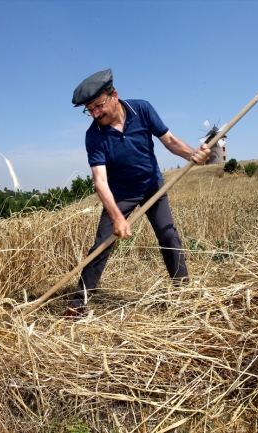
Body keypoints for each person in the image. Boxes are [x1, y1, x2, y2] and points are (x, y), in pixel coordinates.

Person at [66, 69, 211, 317]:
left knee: (168, 236)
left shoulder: (142, 109)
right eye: (89, 109)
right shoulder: (94, 136)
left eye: (99, 105)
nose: (95, 113)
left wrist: (191, 155)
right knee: (102, 245)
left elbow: (170, 140)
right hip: (121, 194)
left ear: (114, 95)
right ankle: (78, 304)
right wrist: (117, 217)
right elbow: (100, 181)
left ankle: (183, 294)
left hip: (153, 186)